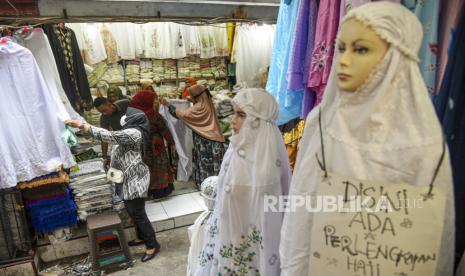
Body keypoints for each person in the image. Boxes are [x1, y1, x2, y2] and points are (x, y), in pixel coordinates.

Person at [280, 3, 454, 276]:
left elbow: (430, 236)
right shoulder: (322, 123)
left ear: (395, 56)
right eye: (340, 48)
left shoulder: (421, 137)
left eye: (361, 49)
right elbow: (301, 212)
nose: (344, 60)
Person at [195, 88, 291, 275]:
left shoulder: (267, 168)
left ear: (257, 121)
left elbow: (267, 225)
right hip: (227, 241)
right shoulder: (235, 152)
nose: (233, 120)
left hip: (252, 252)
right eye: (234, 114)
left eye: (241, 115)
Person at [66, 108, 160, 262]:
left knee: (137, 213)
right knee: (133, 211)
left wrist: (83, 125)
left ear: (134, 119)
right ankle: (142, 238)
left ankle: (152, 245)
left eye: (126, 116)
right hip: (127, 179)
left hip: (134, 180)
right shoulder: (130, 131)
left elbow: (109, 136)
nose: (123, 118)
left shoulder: (134, 133)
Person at [160, 84, 226, 187]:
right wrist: (192, 100)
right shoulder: (207, 103)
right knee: (213, 165)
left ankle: (206, 186)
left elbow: (183, 115)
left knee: (205, 164)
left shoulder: (198, 107)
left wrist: (169, 105)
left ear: (197, 96)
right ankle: (215, 186)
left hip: (205, 141)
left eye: (192, 95)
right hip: (214, 139)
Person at [131, 88, 176, 199]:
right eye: (153, 100)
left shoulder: (132, 116)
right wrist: (172, 143)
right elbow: (164, 130)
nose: (155, 103)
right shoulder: (154, 116)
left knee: (146, 167)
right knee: (159, 166)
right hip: (156, 146)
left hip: (141, 146)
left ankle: (148, 191)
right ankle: (160, 191)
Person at [94, 97, 130, 166]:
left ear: (109, 104)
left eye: (104, 110)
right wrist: (104, 157)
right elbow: (104, 137)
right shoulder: (104, 117)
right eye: (101, 112)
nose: (104, 113)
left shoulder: (125, 103)